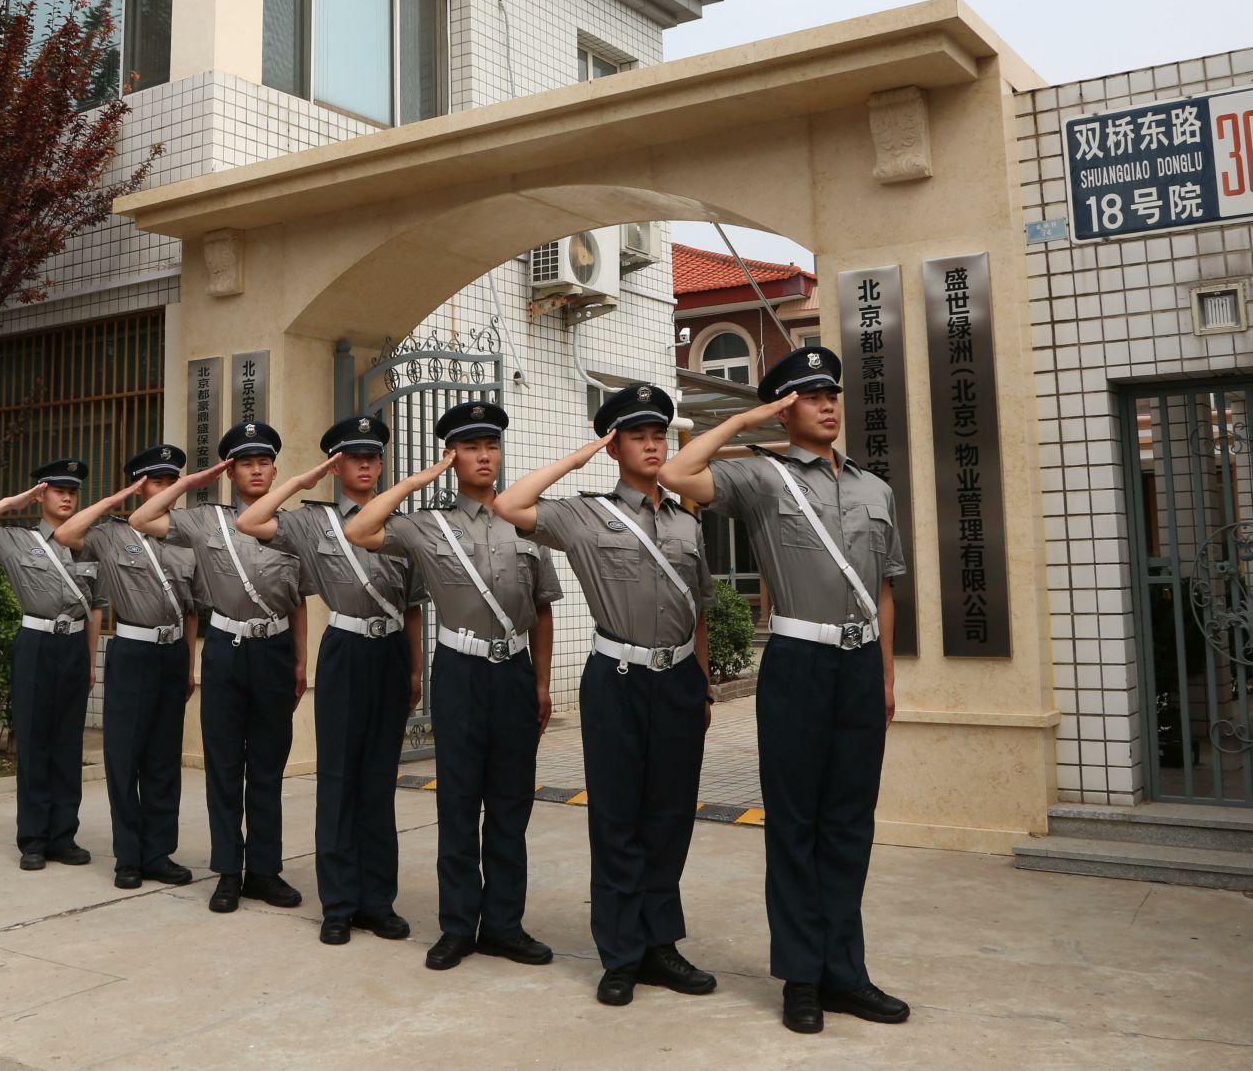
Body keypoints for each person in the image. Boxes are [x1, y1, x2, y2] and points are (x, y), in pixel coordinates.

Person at [659, 346, 908, 1035]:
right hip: (798, 662)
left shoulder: (875, 489)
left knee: (850, 823)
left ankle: (845, 973)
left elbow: (886, 591)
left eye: (832, 394)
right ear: (785, 408)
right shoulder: (762, 477)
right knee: (796, 822)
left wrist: (886, 675)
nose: (827, 404)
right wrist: (749, 418)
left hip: (860, 668)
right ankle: (802, 976)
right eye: (809, 396)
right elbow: (679, 471)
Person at [495, 384, 717, 1007]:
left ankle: (660, 945)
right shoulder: (585, 516)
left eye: (659, 434)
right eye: (637, 435)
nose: (652, 445)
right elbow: (511, 504)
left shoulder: (687, 523)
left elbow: (699, 610)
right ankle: (621, 953)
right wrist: (579, 457)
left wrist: (702, 685)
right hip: (616, 680)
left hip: (678, 681)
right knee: (618, 817)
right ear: (615, 446)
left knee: (670, 816)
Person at [345, 401, 561, 972]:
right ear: (452, 456)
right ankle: (459, 926)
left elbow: (542, 608)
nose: (484, 456)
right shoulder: (426, 525)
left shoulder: (526, 521)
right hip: (460, 674)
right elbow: (359, 529)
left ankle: (505, 926)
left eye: (491, 445)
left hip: (514, 673)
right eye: (470, 447)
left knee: (511, 805)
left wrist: (541, 683)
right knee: (459, 803)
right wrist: (419, 480)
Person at [235, 415, 423, 946]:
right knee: (338, 778)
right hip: (344, 650)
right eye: (353, 457)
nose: (365, 465)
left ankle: (377, 902)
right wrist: (301, 480)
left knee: (378, 780)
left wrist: (414, 669)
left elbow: (412, 606)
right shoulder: (310, 522)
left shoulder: (401, 524)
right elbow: (250, 521)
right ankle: (338, 903)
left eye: (372, 456)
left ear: (381, 464)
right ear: (336, 466)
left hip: (391, 651)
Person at [130, 422, 307, 914]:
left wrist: (300, 660)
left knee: (268, 765)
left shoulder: (292, 527)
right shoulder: (205, 521)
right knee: (225, 765)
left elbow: (297, 600)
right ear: (230, 472)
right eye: (246, 463)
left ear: (275, 470)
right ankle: (229, 871)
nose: (257, 470)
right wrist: (191, 482)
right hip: (226, 650)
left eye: (264, 462)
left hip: (274, 651)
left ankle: (265, 871)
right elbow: (142, 519)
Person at [56, 444, 201, 891]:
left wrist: (190, 664)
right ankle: (129, 856)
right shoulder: (111, 535)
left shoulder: (188, 535)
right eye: (156, 482)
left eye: (171, 481)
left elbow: (192, 610)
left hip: (173, 655)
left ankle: (158, 853)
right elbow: (66, 534)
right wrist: (115, 499)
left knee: (163, 758)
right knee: (125, 757)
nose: (166, 489)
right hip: (132, 653)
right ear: (140, 487)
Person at [0, 459, 103, 872]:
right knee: (35, 743)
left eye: (72, 491)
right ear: (41, 495)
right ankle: (33, 839)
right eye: (58, 490)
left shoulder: (89, 542)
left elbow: (96, 608)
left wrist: (91, 662)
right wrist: (11, 502)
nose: (67, 497)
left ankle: (63, 836)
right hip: (36, 644)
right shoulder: (16, 541)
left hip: (74, 646)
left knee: (68, 745)